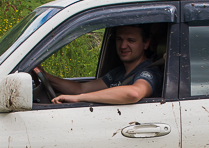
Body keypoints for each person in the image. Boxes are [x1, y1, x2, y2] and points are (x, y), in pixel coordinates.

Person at [32, 25, 163, 104]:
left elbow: (134, 93)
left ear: (146, 43)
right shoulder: (119, 72)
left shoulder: (149, 72)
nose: (123, 45)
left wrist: (79, 99)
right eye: (119, 39)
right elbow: (80, 89)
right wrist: (44, 75)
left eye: (130, 40)